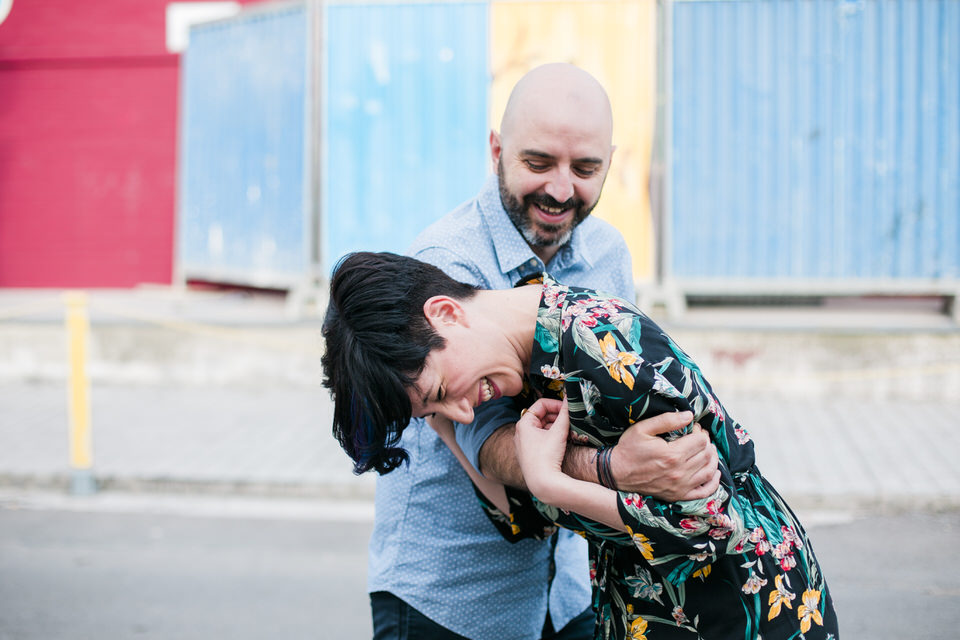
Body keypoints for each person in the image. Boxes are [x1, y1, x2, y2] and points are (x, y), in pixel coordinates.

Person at [354, 63, 720, 640]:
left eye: (585, 168)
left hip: (572, 591)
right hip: (450, 599)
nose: (560, 189)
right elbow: (489, 439)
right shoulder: (446, 266)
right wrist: (611, 468)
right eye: (538, 163)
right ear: (496, 149)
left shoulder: (607, 255)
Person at [321, 251, 839, 639]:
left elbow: (712, 524)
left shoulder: (604, 346)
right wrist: (438, 422)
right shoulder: (525, 368)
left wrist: (554, 481)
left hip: (744, 615)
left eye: (439, 394)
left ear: (446, 313)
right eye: (434, 410)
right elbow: (523, 513)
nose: (461, 413)